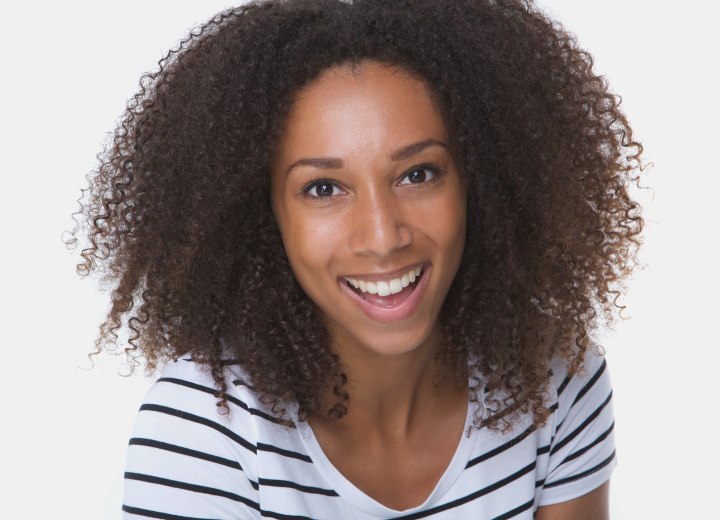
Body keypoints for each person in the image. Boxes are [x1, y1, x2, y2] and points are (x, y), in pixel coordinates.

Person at [70, 0, 644, 517]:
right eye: (323, 188)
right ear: (261, 214)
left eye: (419, 174)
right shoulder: (205, 431)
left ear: (481, 181)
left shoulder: (553, 380)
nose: (382, 235)